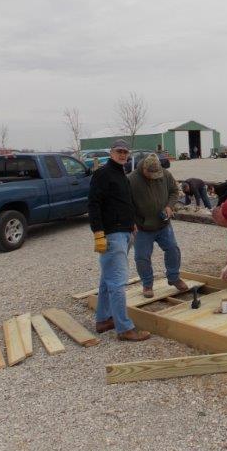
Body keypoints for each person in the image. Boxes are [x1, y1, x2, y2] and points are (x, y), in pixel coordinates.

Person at [87, 139, 150, 341]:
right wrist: (98, 232)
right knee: (117, 282)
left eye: (125, 151)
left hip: (124, 231)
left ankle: (103, 319)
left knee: (108, 279)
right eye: (119, 151)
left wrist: (131, 223)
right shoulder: (103, 174)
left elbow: (122, 202)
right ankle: (124, 328)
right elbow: (94, 204)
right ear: (111, 153)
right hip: (112, 234)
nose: (122, 154)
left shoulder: (121, 174)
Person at [128, 153, 189, 298]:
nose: (155, 177)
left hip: (163, 224)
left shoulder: (165, 174)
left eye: (157, 174)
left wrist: (169, 206)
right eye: (152, 174)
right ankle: (147, 284)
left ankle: (174, 277)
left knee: (173, 250)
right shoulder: (131, 180)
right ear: (144, 169)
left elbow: (174, 191)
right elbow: (125, 204)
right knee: (142, 257)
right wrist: (131, 221)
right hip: (142, 227)